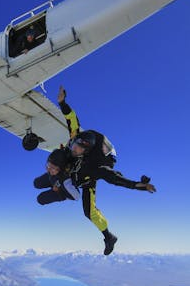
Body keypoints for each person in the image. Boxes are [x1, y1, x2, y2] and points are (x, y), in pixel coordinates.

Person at [34, 86, 156, 255]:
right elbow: (72, 120)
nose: (74, 149)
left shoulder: (96, 167)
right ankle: (58, 181)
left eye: (78, 149)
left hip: (84, 177)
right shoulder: (77, 140)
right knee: (37, 183)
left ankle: (109, 237)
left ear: (87, 151)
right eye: (74, 145)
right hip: (67, 172)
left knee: (89, 212)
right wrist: (62, 103)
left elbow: (114, 178)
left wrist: (139, 186)